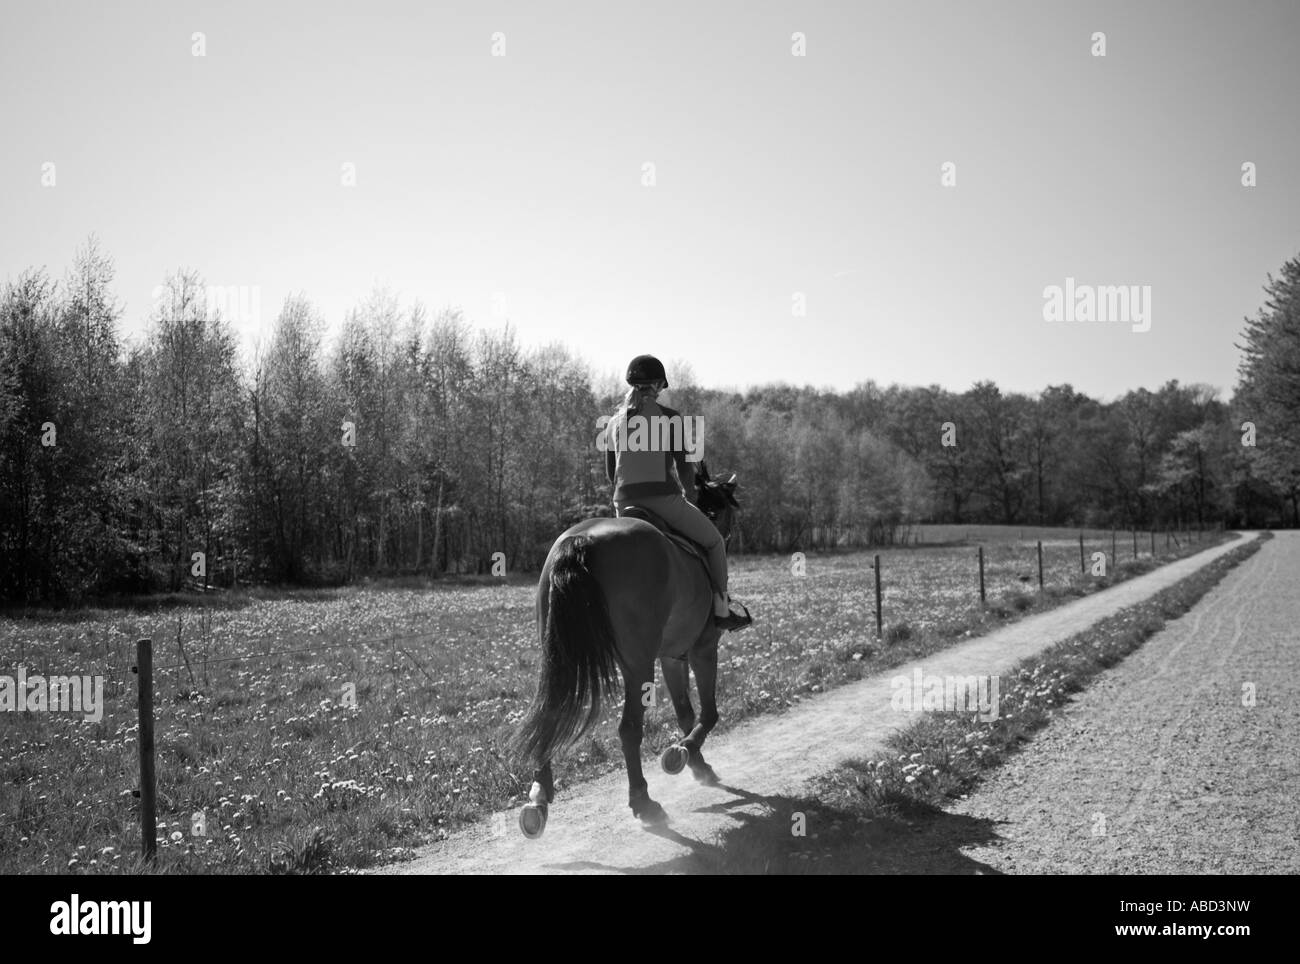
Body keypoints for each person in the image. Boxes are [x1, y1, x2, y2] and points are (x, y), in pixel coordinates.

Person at [604, 354, 752, 631]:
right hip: (661, 499)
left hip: (622, 505)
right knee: (714, 542)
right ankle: (721, 610)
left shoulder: (612, 423)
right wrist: (690, 499)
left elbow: (611, 474)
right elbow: (685, 470)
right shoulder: (670, 418)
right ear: (658, 386)